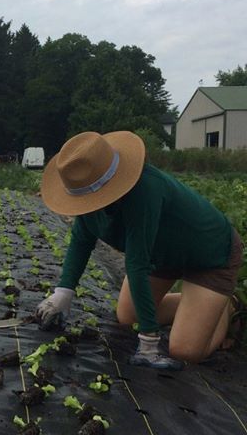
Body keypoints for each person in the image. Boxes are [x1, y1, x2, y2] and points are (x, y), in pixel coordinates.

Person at [35, 130, 244, 369]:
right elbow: (81, 241)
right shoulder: (89, 202)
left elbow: (137, 264)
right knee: (127, 315)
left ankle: (227, 306)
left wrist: (149, 340)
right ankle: (199, 306)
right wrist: (63, 292)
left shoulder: (144, 190)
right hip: (163, 253)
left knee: (184, 350)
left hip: (208, 253)